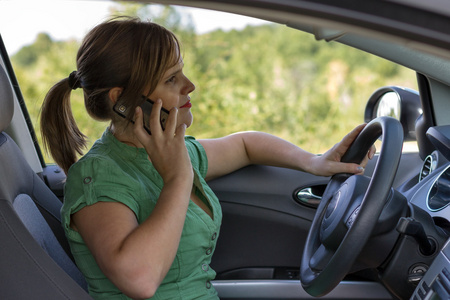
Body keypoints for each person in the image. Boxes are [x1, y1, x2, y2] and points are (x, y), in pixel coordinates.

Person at [40, 17, 375, 300]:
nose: (191, 86)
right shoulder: (99, 176)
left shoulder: (170, 150)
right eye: (172, 79)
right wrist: (177, 178)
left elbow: (244, 145)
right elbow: (139, 279)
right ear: (124, 100)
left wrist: (314, 162)